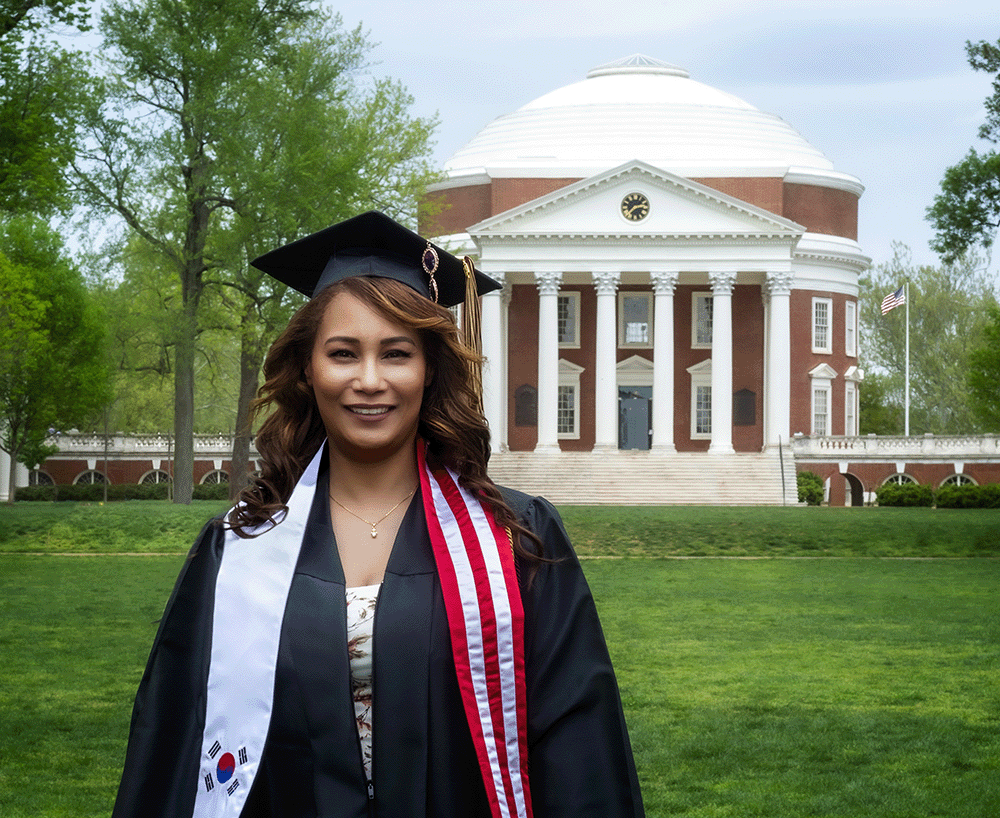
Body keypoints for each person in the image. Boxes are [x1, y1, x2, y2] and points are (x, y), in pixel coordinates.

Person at [111, 211, 645, 818]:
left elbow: (580, 746)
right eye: (343, 353)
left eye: (396, 354)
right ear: (308, 370)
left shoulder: (513, 540)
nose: (369, 380)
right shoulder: (240, 547)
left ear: (428, 370)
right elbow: (174, 739)